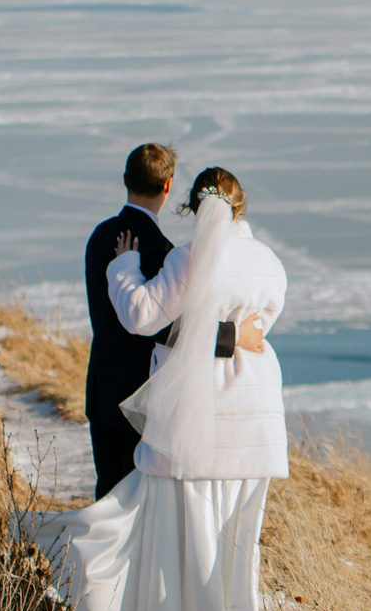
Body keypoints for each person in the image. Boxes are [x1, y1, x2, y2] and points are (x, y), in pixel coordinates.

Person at [24, 166, 288, 611]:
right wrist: (228, 334)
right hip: (255, 416)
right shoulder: (270, 263)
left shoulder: (190, 260)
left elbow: (141, 316)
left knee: (186, 530)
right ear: (241, 205)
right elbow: (260, 325)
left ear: (190, 204)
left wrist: (124, 267)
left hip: (199, 413)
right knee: (238, 533)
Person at [82, 144, 259, 495]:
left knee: (107, 491)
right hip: (143, 395)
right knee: (135, 500)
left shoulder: (99, 236)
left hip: (102, 383)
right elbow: (175, 329)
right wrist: (233, 336)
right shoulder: (163, 252)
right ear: (167, 185)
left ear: (125, 180)